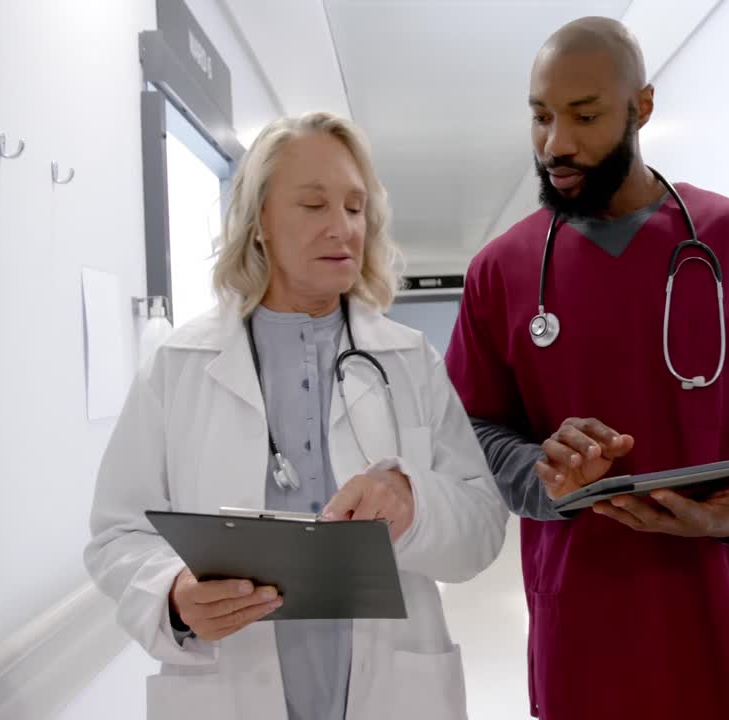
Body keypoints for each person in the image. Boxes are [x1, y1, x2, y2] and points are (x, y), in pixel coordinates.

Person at [444, 17, 729, 720]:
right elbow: (478, 429)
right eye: (540, 117)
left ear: (642, 107)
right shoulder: (500, 272)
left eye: (585, 115)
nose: (556, 143)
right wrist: (545, 474)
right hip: (588, 633)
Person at [85, 111, 508, 720]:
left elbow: (482, 527)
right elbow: (116, 535)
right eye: (314, 206)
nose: (343, 228)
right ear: (259, 222)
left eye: (356, 207)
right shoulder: (177, 368)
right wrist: (171, 596)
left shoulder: (408, 360)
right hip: (229, 688)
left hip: (393, 691)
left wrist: (415, 505)